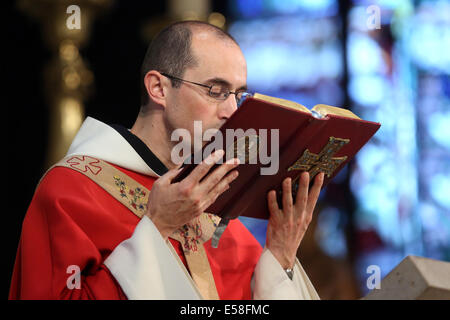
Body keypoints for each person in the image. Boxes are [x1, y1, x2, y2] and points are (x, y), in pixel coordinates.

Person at [9, 21, 324, 300]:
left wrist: (280, 257)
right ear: (158, 88)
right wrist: (157, 228)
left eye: (238, 95)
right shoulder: (72, 190)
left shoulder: (212, 206)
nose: (231, 111)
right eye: (216, 91)